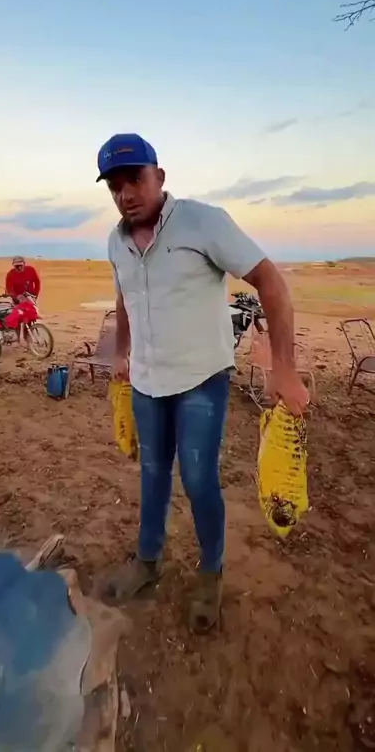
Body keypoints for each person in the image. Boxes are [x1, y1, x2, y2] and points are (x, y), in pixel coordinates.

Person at [98, 132, 309, 633]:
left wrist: (284, 367)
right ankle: (147, 562)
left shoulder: (202, 222)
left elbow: (270, 281)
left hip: (200, 380)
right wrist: (121, 353)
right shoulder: (115, 242)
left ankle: (210, 572)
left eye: (135, 180)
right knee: (152, 474)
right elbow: (125, 299)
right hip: (147, 383)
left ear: (159, 177)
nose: (126, 194)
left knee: (197, 479)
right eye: (115, 186)